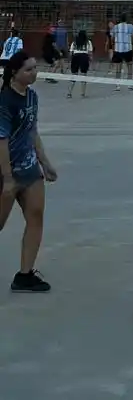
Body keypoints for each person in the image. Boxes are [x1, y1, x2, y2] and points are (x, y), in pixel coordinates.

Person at [0, 50, 57, 292]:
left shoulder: (32, 97)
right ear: (15, 72)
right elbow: (1, 141)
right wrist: (8, 178)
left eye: (35, 68)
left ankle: (25, 275)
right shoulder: (5, 101)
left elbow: (32, 132)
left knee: (35, 216)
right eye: (29, 69)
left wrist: (45, 162)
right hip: (7, 172)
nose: (35, 73)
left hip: (30, 170)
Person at [111, 13, 133, 91]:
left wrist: (114, 45)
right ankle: (129, 85)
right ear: (126, 19)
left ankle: (117, 85)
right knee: (130, 67)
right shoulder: (130, 26)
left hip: (118, 50)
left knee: (118, 68)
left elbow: (112, 37)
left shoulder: (115, 27)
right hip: (128, 49)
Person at [66, 29, 93, 98]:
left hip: (76, 57)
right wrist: (90, 60)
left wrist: (70, 61)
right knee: (83, 76)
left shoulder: (74, 42)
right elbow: (90, 53)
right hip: (84, 57)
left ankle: (69, 93)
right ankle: (82, 94)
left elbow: (71, 53)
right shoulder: (88, 42)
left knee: (74, 76)